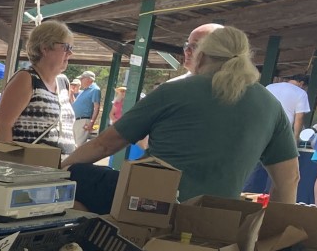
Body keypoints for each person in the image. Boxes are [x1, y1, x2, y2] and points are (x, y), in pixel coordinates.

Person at [62, 27, 298, 211]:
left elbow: (105, 144)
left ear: (201, 56)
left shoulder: (174, 91)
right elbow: (289, 179)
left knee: (74, 176)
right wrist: (274, 239)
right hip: (219, 215)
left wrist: (57, 170)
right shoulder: (271, 106)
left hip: (150, 204)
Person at [0, 20, 76, 154]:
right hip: (29, 167)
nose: (70, 53)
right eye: (66, 47)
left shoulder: (63, 83)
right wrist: (8, 164)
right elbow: (3, 125)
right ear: (45, 48)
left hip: (62, 167)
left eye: (71, 48)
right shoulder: (26, 78)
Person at [266, 74, 311, 140]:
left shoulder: (269, 87)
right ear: (301, 83)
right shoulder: (301, 93)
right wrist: (296, 138)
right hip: (281, 130)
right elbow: (299, 117)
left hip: (262, 126)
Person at [72, 69, 100, 145]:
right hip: (77, 120)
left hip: (84, 120)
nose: (80, 80)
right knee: (73, 145)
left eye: (82, 78)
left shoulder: (95, 90)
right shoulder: (85, 90)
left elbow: (96, 107)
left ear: (88, 79)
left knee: (78, 146)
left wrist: (92, 122)